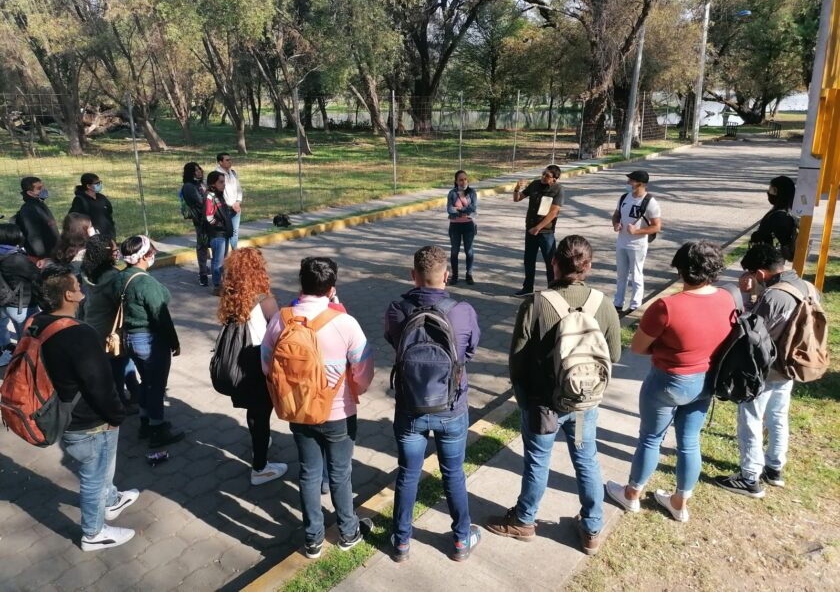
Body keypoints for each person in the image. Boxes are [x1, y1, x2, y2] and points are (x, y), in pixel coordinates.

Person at [486, 235, 621, 555]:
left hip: (543, 405)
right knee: (586, 460)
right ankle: (591, 527)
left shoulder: (535, 304)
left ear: (554, 263)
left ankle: (524, 520)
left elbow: (516, 360)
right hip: (583, 403)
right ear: (588, 265)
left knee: (537, 462)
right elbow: (613, 354)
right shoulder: (603, 304)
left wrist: (523, 397)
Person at [607, 241, 737, 522]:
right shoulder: (727, 299)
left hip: (667, 381)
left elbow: (639, 348)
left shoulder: (666, 306)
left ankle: (632, 494)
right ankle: (680, 501)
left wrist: (666, 348)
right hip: (705, 381)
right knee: (689, 442)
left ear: (681, 270)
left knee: (651, 438)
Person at [261, 257, 374, 559]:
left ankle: (313, 539)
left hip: (298, 411)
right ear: (332, 287)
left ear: (301, 284)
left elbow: (266, 364)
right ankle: (348, 531)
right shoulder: (345, 323)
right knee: (340, 474)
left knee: (309, 473)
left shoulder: (282, 320)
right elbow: (363, 372)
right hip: (339, 414)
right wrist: (354, 391)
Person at [384, 245, 482, 562]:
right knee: (453, 473)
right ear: (446, 275)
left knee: (408, 474)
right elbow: (468, 353)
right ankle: (460, 540)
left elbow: (394, 342)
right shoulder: (463, 311)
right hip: (451, 405)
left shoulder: (397, 310)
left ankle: (401, 542)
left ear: (413, 276)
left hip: (410, 406)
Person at [37, 264, 138, 551]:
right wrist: (116, 415)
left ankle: (112, 500)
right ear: (69, 295)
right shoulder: (79, 334)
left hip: (62, 413)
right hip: (88, 422)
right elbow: (100, 384)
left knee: (100, 470)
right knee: (94, 476)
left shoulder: (38, 324)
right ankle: (93, 533)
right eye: (77, 285)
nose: (81, 288)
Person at [714, 244, 819, 497]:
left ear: (760, 274)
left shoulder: (773, 296)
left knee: (750, 419)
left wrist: (747, 297)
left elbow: (751, 332)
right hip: (791, 364)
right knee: (778, 416)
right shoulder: (807, 287)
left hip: (764, 369)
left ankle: (749, 477)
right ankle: (774, 467)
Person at [217, 248, 288, 485]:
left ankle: (260, 441)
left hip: (237, 362)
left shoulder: (231, 297)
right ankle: (260, 468)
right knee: (261, 415)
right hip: (256, 364)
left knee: (254, 413)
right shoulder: (265, 301)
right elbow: (280, 334)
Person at [115, 235, 183, 448]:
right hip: (149, 340)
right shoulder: (145, 282)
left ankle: (145, 421)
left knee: (146, 381)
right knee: (156, 386)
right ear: (144, 256)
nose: (154, 255)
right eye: (152, 252)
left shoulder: (121, 276)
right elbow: (161, 315)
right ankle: (157, 428)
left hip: (130, 339)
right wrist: (174, 342)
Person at [81, 235, 140, 412]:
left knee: (121, 360)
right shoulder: (113, 277)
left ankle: (135, 392)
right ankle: (120, 403)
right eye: (114, 251)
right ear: (104, 254)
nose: (117, 253)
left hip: (92, 323)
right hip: (110, 329)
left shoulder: (87, 272)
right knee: (117, 367)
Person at [611, 170, 662, 312]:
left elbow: (656, 226)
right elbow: (616, 215)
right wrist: (616, 224)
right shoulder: (623, 198)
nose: (628, 183)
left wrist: (637, 231)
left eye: (631, 180)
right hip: (622, 242)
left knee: (636, 275)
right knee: (621, 275)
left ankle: (634, 305)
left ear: (639, 183)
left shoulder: (650, 202)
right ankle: (618, 303)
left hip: (638, 245)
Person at [512, 164, 564, 296]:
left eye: (547, 176)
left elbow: (554, 212)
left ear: (554, 179)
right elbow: (517, 199)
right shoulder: (535, 184)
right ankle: (527, 287)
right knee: (529, 260)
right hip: (530, 230)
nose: (543, 177)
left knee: (550, 262)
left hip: (546, 233)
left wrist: (538, 228)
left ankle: (552, 290)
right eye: (543, 173)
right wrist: (517, 188)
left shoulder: (558, 190)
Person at [0, 223, 41, 365]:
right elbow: (37, 276)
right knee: (26, 338)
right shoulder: (17, 259)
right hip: (20, 305)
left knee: (2, 326)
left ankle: (5, 350)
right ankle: (24, 364)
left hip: (3, 301)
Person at [750, 175, 797, 256]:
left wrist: (755, 236)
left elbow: (768, 235)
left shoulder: (778, 216)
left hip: (769, 260)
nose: (768, 192)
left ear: (776, 191)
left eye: (770, 189)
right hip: (773, 259)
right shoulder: (786, 211)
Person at [15, 176, 59, 261]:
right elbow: (33, 237)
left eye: (43, 187)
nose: (43, 190)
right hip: (45, 256)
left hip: (53, 252)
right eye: (39, 188)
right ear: (30, 193)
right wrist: (43, 258)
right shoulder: (28, 210)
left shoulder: (39, 203)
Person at [180, 162, 210, 287]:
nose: (199, 171)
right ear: (191, 173)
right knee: (202, 246)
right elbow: (200, 201)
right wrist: (209, 195)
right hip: (200, 220)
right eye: (196, 170)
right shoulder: (188, 186)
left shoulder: (201, 183)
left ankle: (211, 269)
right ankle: (203, 274)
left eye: (199, 169)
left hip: (209, 218)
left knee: (212, 244)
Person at [447, 170, 478, 286]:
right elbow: (449, 210)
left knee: (469, 251)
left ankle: (469, 274)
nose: (464, 181)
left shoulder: (472, 193)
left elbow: (473, 208)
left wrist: (458, 210)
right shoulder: (452, 193)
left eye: (465, 179)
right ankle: (454, 276)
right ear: (456, 181)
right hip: (455, 226)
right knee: (454, 252)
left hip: (468, 225)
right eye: (461, 179)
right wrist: (465, 211)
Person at [205, 171, 233, 296]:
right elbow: (209, 217)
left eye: (224, 182)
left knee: (223, 261)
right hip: (217, 235)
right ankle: (217, 286)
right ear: (213, 184)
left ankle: (223, 284)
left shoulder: (219, 195)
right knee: (218, 261)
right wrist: (220, 227)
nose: (223, 185)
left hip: (224, 233)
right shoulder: (210, 196)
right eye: (220, 182)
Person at [69, 173, 116, 241]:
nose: (99, 185)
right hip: (93, 239)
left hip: (108, 235)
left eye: (100, 182)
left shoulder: (101, 197)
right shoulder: (80, 200)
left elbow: (109, 212)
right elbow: (75, 218)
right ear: (88, 186)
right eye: (97, 183)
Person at [52, 212, 94, 280]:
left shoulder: (62, 245)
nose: (93, 229)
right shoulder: (85, 253)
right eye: (90, 227)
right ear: (81, 232)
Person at [215, 152, 243, 250]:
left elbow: (239, 189)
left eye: (230, 159)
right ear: (220, 162)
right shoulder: (216, 175)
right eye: (227, 160)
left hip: (235, 208)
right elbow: (217, 193)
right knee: (225, 232)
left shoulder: (233, 173)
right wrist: (228, 205)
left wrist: (238, 202)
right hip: (224, 209)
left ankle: (235, 253)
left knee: (235, 232)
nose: (230, 161)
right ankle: (225, 256)